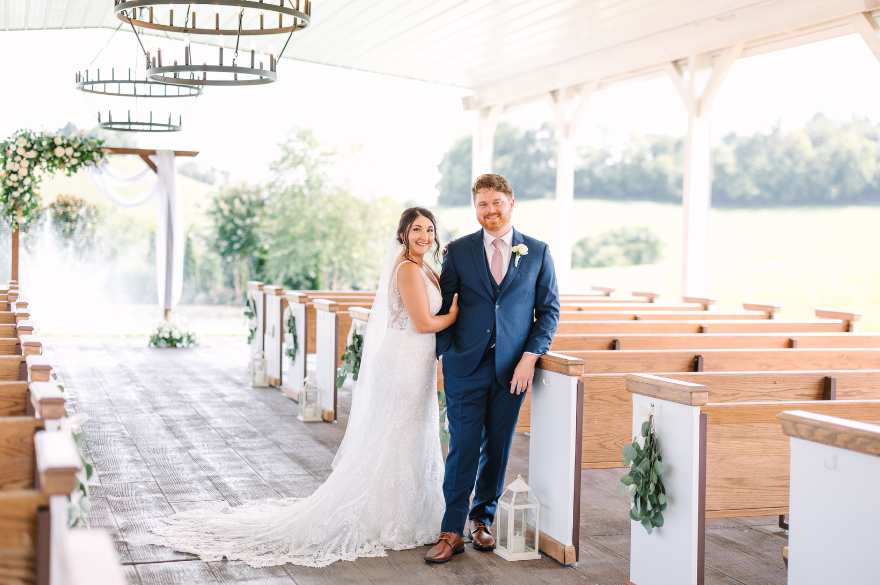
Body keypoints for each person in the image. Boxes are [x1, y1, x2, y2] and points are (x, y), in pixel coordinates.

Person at [151, 207, 459, 568]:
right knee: (397, 435)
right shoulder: (407, 269)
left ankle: (412, 512)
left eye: (429, 230)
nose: (424, 236)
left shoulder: (425, 267)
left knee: (410, 434)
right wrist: (455, 313)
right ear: (402, 235)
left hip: (417, 363)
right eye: (416, 229)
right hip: (405, 362)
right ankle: (386, 515)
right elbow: (423, 323)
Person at [425, 173, 560, 563]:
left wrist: (529, 358)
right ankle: (451, 530)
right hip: (465, 366)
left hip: (512, 371)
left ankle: (480, 521)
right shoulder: (460, 250)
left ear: (511, 203)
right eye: (482, 204)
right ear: (476, 208)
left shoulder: (537, 251)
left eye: (496, 203)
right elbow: (445, 305)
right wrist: (442, 357)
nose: (490, 211)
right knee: (463, 446)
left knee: (498, 448)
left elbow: (548, 313)